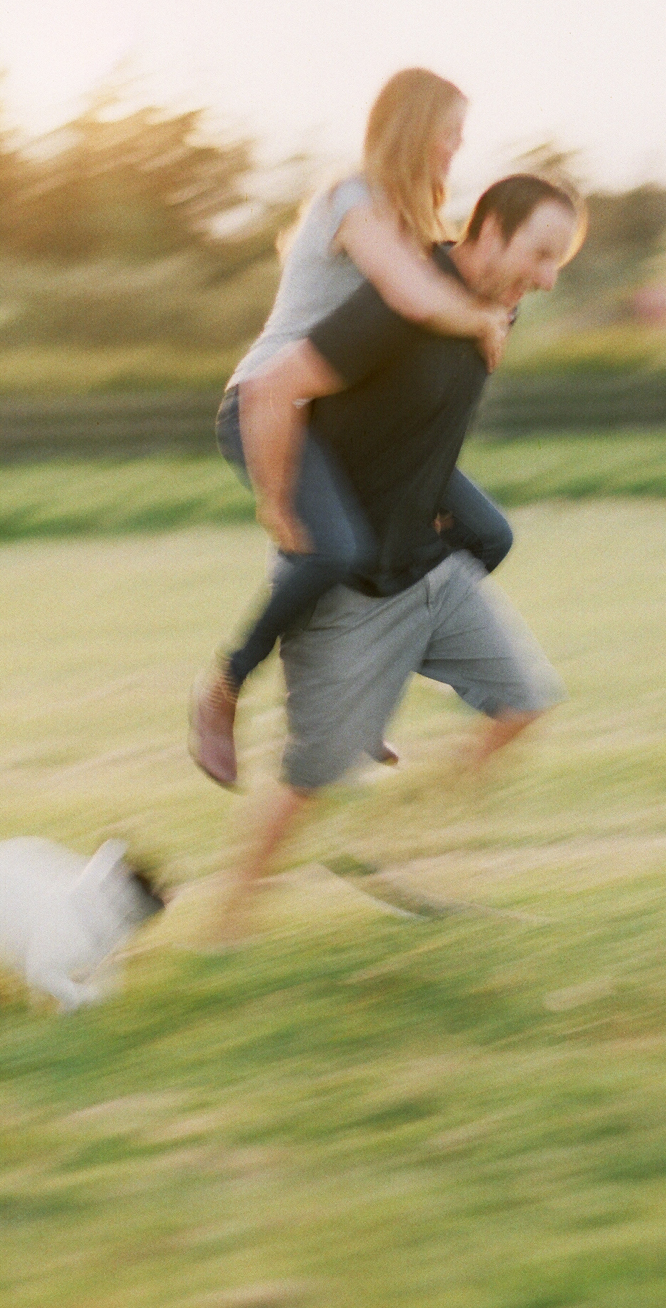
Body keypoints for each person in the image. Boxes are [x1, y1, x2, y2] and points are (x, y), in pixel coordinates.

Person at [210, 173, 585, 947]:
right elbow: (274, 390)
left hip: (430, 565)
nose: (547, 279)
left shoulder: (496, 310)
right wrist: (285, 514)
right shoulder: (397, 301)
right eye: (540, 254)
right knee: (309, 779)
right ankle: (224, 925)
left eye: (560, 264)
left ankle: (398, 840)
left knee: (525, 702)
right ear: (488, 230)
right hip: (353, 582)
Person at [191, 68, 517, 788]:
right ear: (414, 131)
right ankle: (224, 687)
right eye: (449, 137)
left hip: (346, 425)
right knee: (333, 552)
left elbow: (441, 299)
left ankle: (365, 685)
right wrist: (479, 317)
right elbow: (411, 295)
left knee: (486, 536)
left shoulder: (414, 224)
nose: (455, 152)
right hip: (269, 408)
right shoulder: (354, 199)